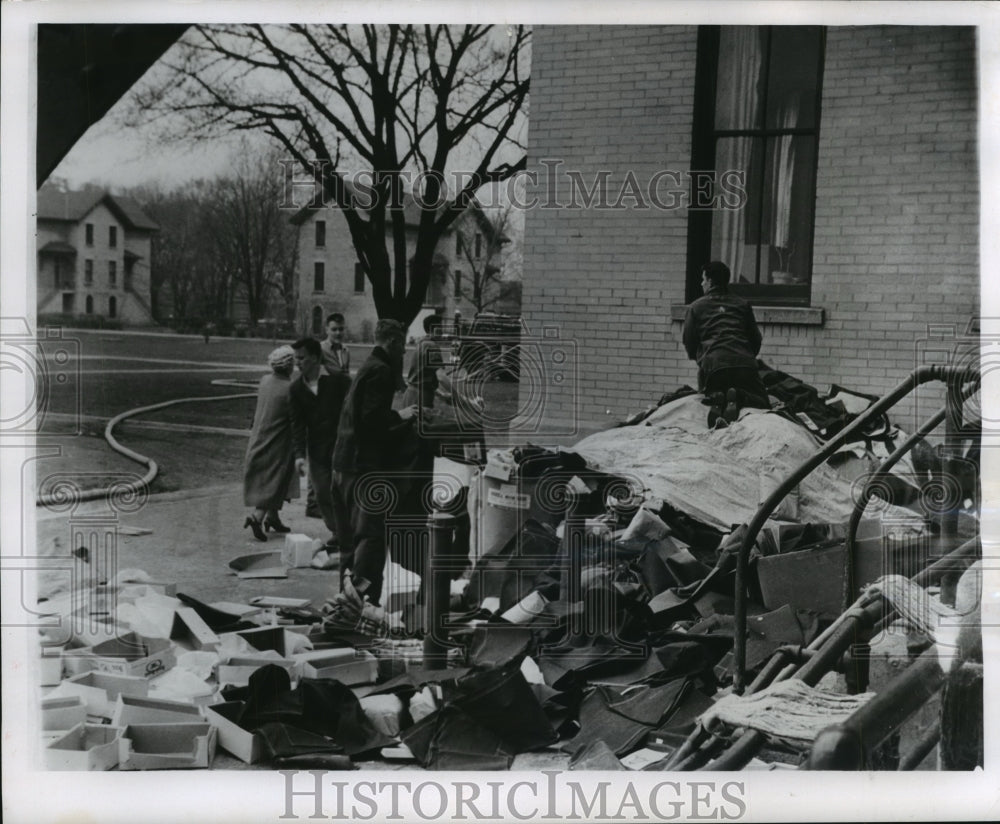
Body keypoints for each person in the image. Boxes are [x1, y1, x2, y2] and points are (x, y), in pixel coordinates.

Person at [333, 319, 419, 605]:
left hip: (343, 465)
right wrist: (401, 417)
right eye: (403, 347)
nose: (404, 353)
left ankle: (346, 603)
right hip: (363, 468)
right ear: (393, 342)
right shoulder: (381, 371)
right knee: (369, 539)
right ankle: (364, 605)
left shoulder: (367, 366)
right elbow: (371, 424)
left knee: (348, 542)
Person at [682, 260, 769, 427]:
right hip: (744, 365)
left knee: (705, 394)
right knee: (763, 403)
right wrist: (746, 356)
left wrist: (701, 359)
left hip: (713, 366)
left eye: (703, 279)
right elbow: (756, 339)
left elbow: (689, 342)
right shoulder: (742, 305)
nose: (701, 283)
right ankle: (739, 395)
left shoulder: (696, 307)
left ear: (710, 281)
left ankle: (715, 399)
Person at [289, 337, 353, 561]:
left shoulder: (338, 381)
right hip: (317, 451)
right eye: (296, 358)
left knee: (345, 493)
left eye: (302, 358)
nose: (298, 363)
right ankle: (338, 532)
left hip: (342, 446)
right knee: (323, 493)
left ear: (315, 357)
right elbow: (297, 425)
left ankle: (351, 534)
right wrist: (299, 456)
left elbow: (353, 409)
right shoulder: (296, 388)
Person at [243, 346, 299, 541]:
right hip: (278, 439)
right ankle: (257, 517)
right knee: (275, 476)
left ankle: (273, 517)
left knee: (276, 476)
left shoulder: (265, 380)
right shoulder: (290, 388)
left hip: (261, 434)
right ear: (290, 365)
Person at [402, 314, 446, 409]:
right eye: (440, 327)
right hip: (419, 399)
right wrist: (461, 399)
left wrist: (441, 395)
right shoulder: (431, 345)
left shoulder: (422, 343)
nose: (442, 331)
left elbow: (423, 378)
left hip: (411, 396)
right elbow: (441, 377)